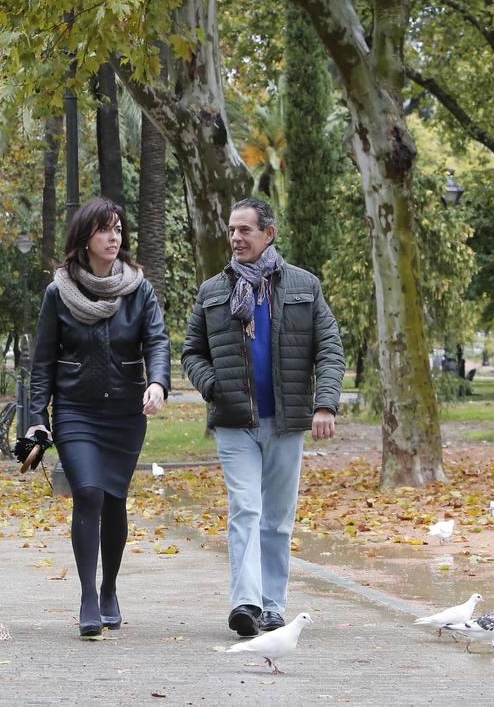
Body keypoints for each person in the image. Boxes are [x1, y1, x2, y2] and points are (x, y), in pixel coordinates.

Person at [181, 197, 343, 637]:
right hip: (235, 422)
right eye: (232, 230)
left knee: (276, 520)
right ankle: (246, 604)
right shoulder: (214, 290)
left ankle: (273, 606)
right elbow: (191, 352)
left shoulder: (304, 286)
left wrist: (325, 404)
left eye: (245, 230)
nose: (236, 238)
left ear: (268, 234)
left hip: (287, 422)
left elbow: (329, 348)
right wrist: (214, 386)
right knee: (245, 509)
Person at [26, 197, 170, 639]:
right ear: (86, 237)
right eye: (106, 230)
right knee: (87, 492)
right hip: (76, 410)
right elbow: (43, 362)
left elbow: (157, 341)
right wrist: (36, 418)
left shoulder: (138, 288)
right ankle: (88, 594)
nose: (115, 237)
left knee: (113, 499)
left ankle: (110, 588)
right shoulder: (59, 292)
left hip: (125, 412)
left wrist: (158, 383)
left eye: (119, 230)